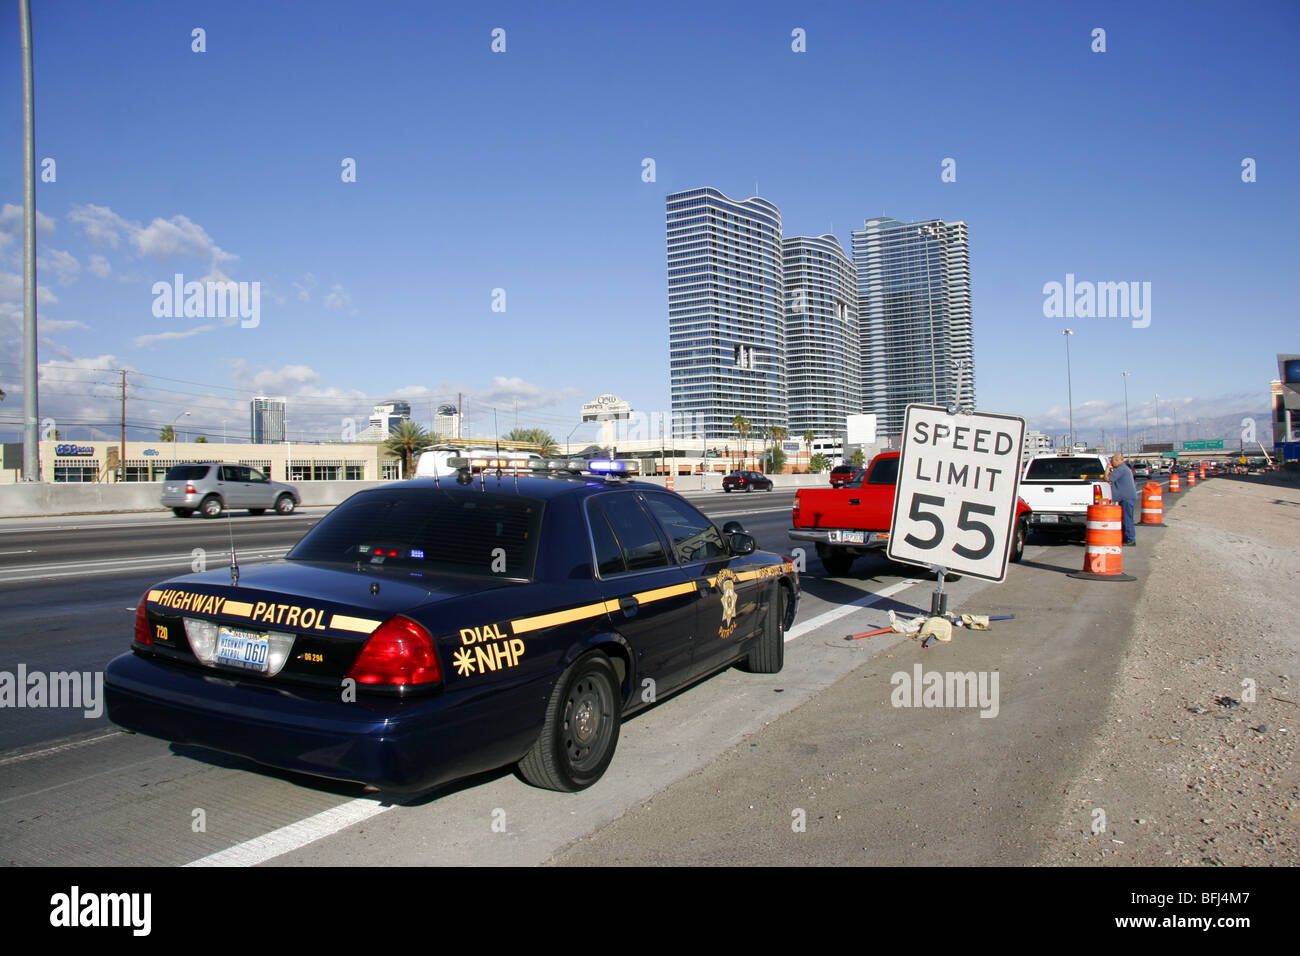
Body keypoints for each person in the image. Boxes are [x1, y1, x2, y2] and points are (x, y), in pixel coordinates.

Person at [1106, 453, 1138, 546]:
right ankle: (1127, 537)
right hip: (1127, 497)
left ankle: (1130, 539)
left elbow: (1108, 478)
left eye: (1112, 461)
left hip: (1126, 498)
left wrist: (1107, 469)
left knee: (1127, 519)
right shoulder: (1123, 469)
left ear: (1117, 460)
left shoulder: (1121, 469)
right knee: (1127, 518)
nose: (1111, 463)